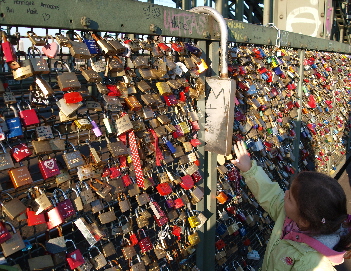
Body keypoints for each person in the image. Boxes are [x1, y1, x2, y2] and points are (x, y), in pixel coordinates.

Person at [233, 141, 351, 270]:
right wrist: (250, 170)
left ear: (304, 221)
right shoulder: (291, 218)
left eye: (290, 198)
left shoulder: (314, 264)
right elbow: (272, 197)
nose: (285, 194)